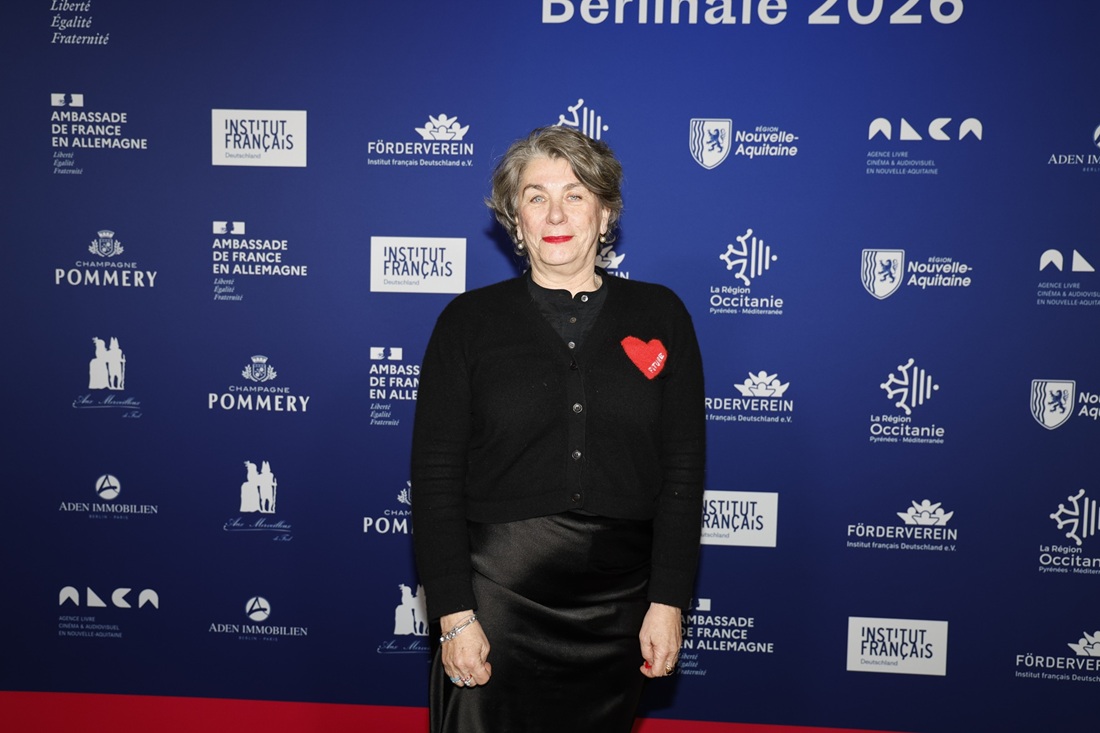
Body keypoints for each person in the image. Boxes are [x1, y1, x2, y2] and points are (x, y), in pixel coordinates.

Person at [411, 125, 705, 732]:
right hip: (497, 595)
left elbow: (683, 471)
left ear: (605, 213)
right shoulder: (467, 323)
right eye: (536, 196)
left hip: (618, 603)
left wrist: (668, 600)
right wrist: (454, 614)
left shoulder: (662, 315)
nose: (555, 214)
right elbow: (435, 479)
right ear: (514, 220)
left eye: (575, 195)